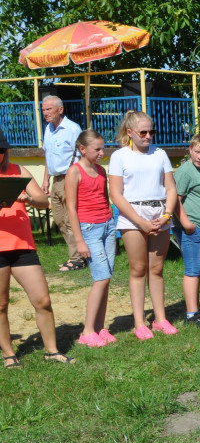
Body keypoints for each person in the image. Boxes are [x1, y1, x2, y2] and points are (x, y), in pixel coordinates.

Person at [0, 130, 75, 365]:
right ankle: (9, 355)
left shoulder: (18, 171)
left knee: (42, 300)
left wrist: (29, 199)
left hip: (23, 246)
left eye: (1, 151)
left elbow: (45, 201)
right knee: (1, 304)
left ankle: (51, 351)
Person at [108, 110, 178, 339]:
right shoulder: (119, 156)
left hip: (160, 216)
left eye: (152, 131)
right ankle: (139, 322)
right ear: (130, 132)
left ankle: (160, 319)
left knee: (157, 270)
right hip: (132, 217)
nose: (148, 136)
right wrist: (140, 222)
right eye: (143, 132)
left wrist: (166, 216)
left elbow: (170, 189)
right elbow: (116, 195)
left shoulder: (160, 154)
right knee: (138, 269)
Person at [66, 129, 117, 347]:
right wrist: (79, 240)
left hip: (107, 225)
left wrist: (111, 224)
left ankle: (100, 327)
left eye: (102, 148)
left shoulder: (101, 170)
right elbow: (71, 207)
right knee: (101, 278)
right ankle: (87, 331)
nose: (101, 152)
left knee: (106, 279)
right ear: (82, 149)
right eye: (97, 149)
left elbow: (105, 199)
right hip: (89, 229)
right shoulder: (74, 172)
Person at [172, 133, 200, 328]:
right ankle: (192, 315)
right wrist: (187, 223)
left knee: (198, 269)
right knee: (192, 270)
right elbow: (175, 199)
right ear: (190, 150)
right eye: (197, 152)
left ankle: (196, 308)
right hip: (192, 228)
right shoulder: (185, 171)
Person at [39, 95, 85, 271]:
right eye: (43, 110)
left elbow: (81, 156)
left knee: (70, 219)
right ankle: (74, 255)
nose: (45, 113)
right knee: (59, 219)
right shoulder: (48, 129)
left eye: (49, 109)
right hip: (55, 179)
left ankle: (78, 258)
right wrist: (46, 179)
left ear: (60, 109)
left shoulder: (72, 129)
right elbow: (47, 156)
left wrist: (76, 178)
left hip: (70, 177)